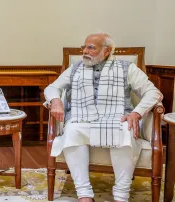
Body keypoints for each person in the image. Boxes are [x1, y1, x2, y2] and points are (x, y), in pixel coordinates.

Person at [44, 33, 163, 202]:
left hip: (117, 119)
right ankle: (84, 194)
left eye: (90, 47)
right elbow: (52, 88)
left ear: (106, 51)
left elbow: (153, 92)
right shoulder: (75, 68)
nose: (84, 51)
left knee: (124, 130)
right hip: (82, 119)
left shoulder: (126, 68)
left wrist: (136, 113)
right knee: (71, 130)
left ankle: (121, 195)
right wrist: (55, 101)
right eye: (83, 47)